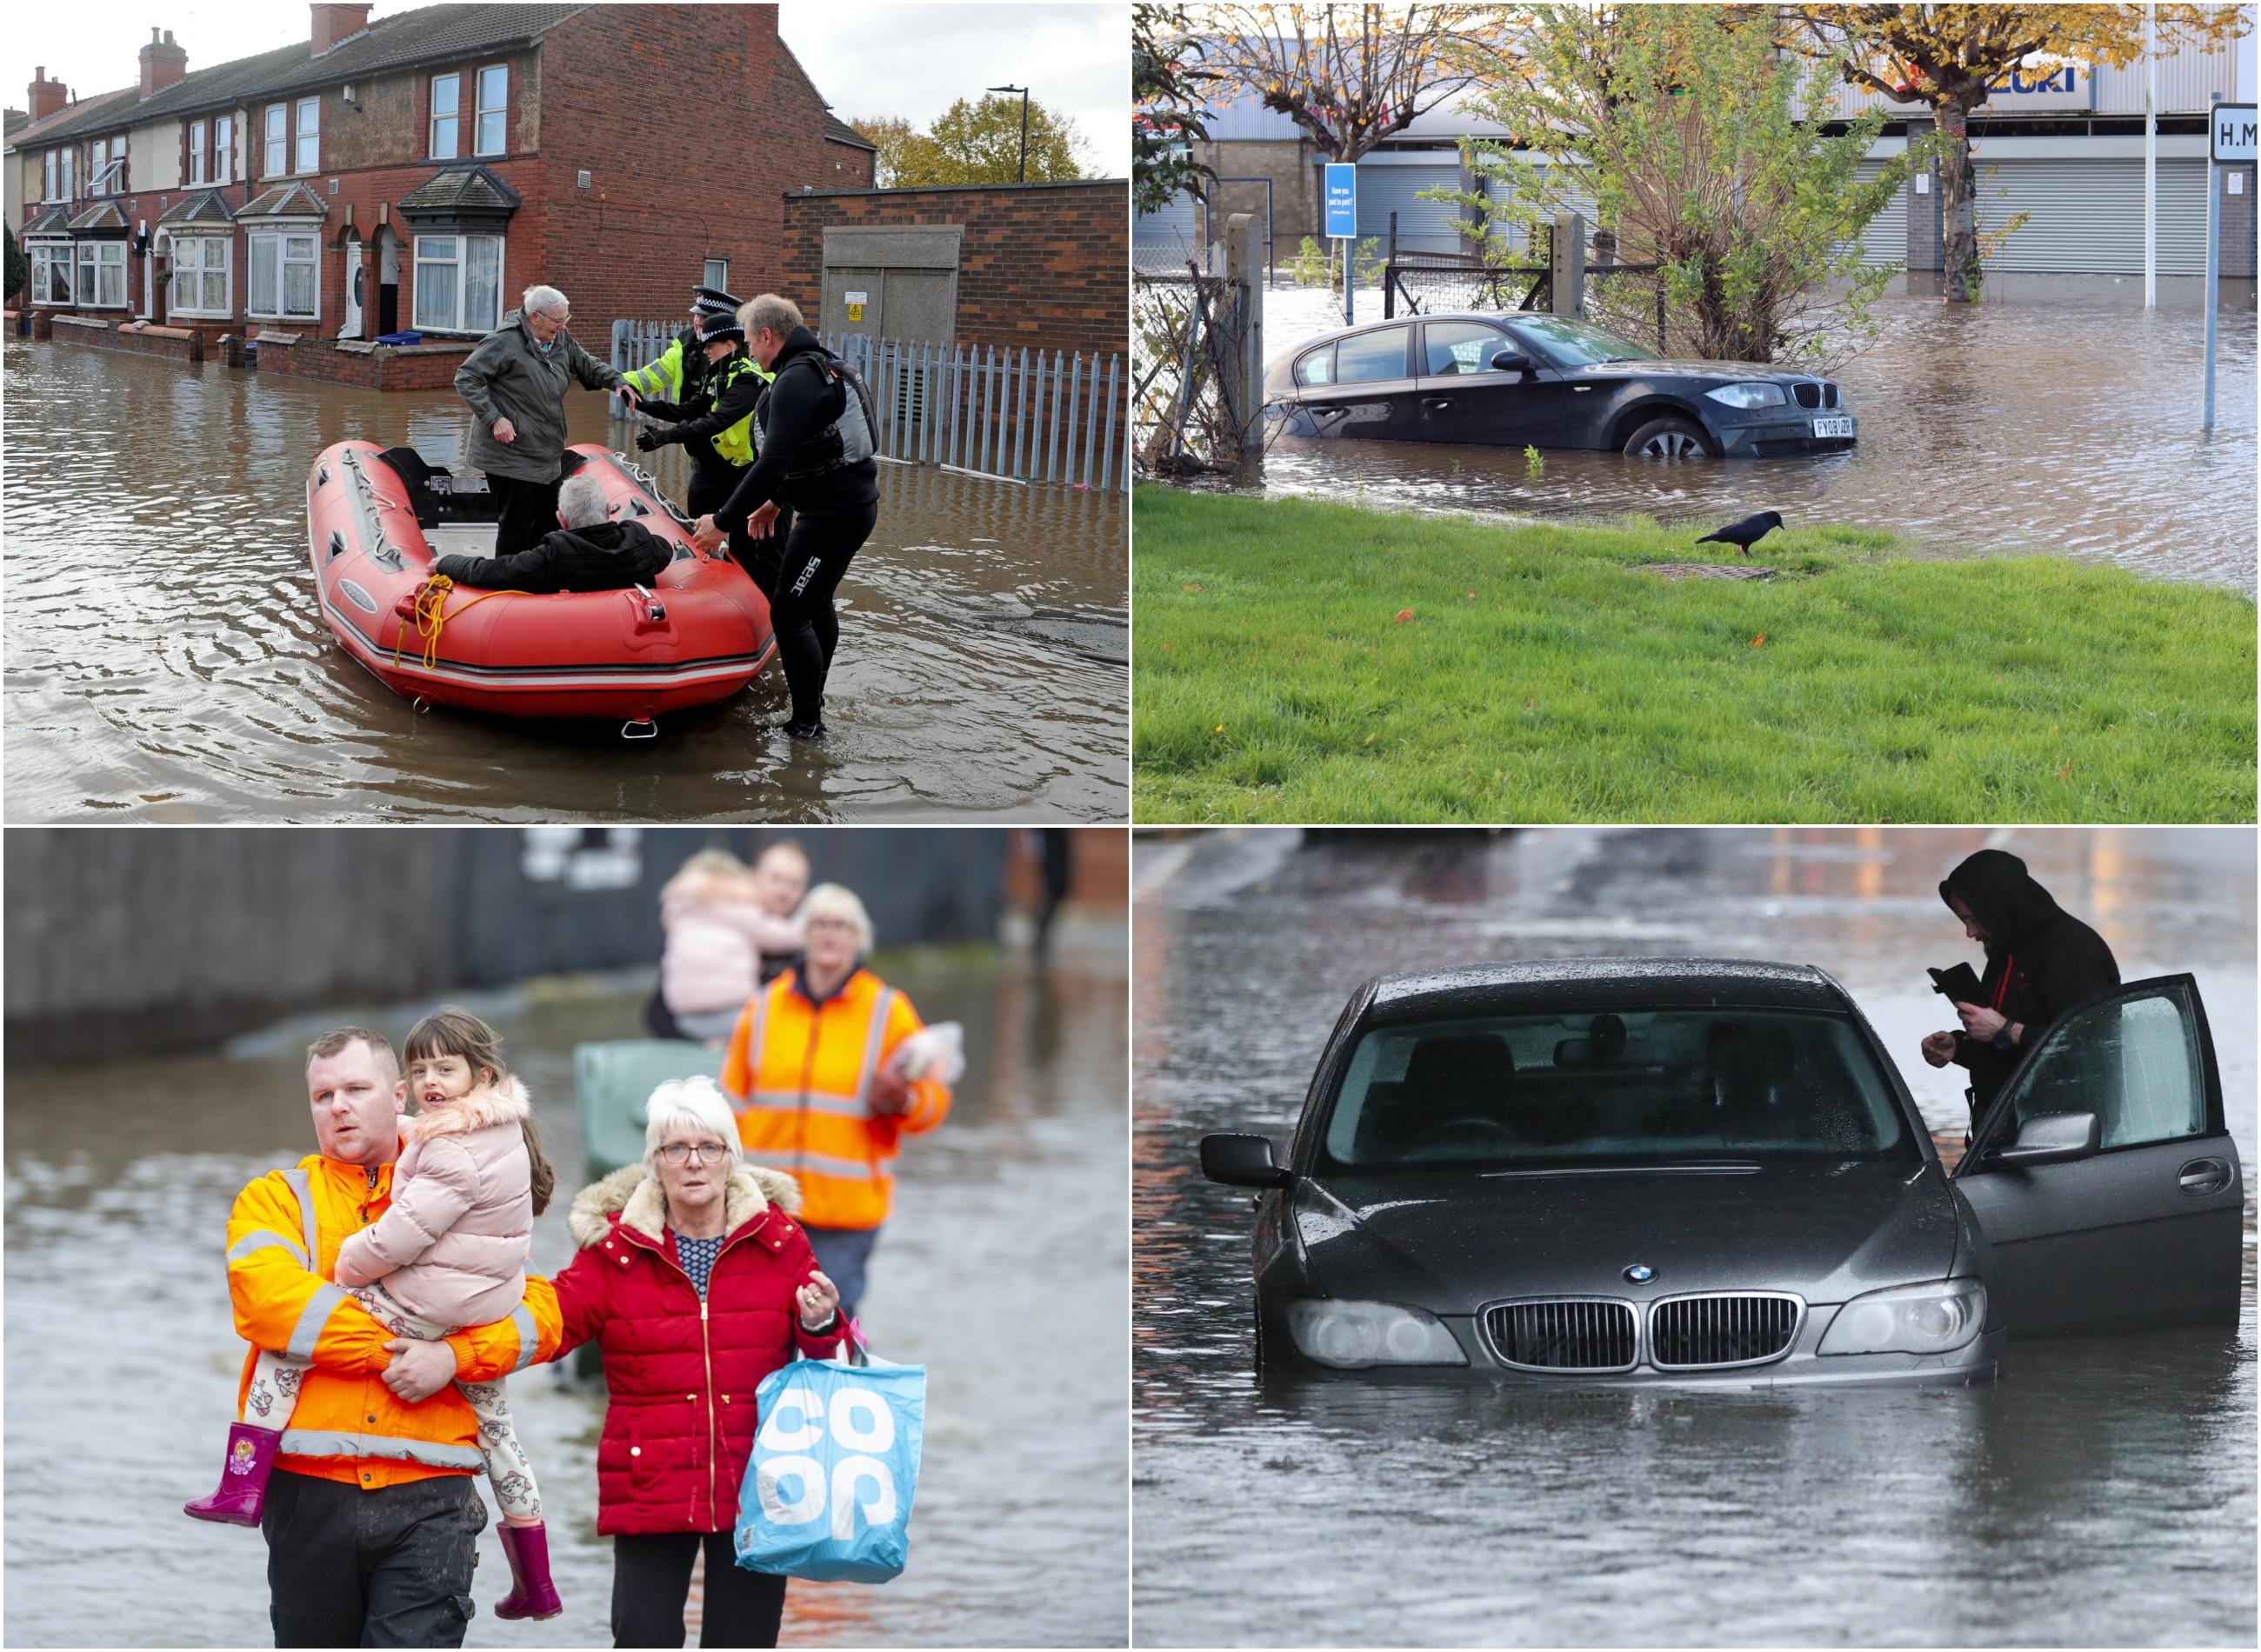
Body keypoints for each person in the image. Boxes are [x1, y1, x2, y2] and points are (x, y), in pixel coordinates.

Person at [185, 1027, 562, 1649]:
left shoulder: (464, 1178)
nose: (338, 1106)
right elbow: (269, 1304)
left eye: (356, 1089)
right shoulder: (276, 1199)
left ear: (398, 1096)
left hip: (431, 1498)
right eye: (323, 1094)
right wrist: (397, 1351)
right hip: (310, 1496)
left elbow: (541, 1312)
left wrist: (453, 1357)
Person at [550, 1076, 843, 1648]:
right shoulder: (613, 1252)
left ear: (730, 1159)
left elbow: (826, 1367)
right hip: (649, 1480)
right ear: (654, 1161)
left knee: (743, 1641)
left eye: (709, 1147)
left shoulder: (781, 1243)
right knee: (642, 1638)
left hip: (758, 1483)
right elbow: (549, 1326)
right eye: (676, 1149)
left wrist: (820, 1324)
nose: (693, 1162)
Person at [719, 883, 950, 1322]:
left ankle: (846, 1387)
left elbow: (935, 1104)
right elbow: (730, 1104)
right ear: (803, 934)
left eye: (841, 926)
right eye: (820, 924)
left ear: (858, 938)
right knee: (761, 1323)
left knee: (829, 1321)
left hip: (847, 1212)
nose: (829, 935)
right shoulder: (764, 1008)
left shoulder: (888, 1011)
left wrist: (906, 1100)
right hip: (769, 1206)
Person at [690, 295, 879, 741]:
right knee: (814, 603)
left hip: (832, 515)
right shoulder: (821, 365)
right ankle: (814, 701)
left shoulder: (795, 381)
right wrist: (775, 501)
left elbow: (771, 462)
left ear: (768, 337)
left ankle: (806, 724)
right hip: (844, 506)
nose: (750, 352)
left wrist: (723, 519)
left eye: (751, 343)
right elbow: (807, 452)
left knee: (789, 612)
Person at [1919, 848, 2120, 1128]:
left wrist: (2005, 1029)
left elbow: (2090, 1045)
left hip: (2060, 1134)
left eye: (1975, 919)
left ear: (2000, 908)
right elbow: (2010, 1047)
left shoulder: (2072, 948)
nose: (1970, 933)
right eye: (1964, 921)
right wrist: (1959, 1048)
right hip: (2005, 1129)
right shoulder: (2007, 951)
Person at [455, 283, 637, 556]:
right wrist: (494, 419)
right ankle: (510, 581)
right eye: (558, 321)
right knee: (516, 523)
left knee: (548, 521)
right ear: (534, 317)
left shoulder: (559, 338)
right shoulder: (505, 341)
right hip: (509, 452)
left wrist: (616, 381)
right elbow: (466, 377)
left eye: (566, 319)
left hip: (544, 448)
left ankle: (542, 575)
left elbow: (586, 364)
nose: (563, 326)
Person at [634, 319, 783, 590]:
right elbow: (693, 409)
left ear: (728, 345)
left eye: (710, 346)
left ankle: (773, 619)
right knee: (736, 546)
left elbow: (716, 421)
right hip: (739, 470)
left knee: (766, 556)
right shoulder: (720, 374)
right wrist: (645, 405)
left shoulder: (749, 379)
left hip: (766, 475)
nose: (704, 352)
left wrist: (666, 437)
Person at [647, 842, 809, 1044]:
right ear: (752, 878)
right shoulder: (748, 918)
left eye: (794, 884)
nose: (783, 891)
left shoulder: (807, 955)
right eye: (775, 879)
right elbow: (657, 1016)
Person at [432, 470, 674, 595]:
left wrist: (445, 562)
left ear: (562, 521)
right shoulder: (642, 543)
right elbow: (667, 548)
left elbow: (489, 572)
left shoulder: (552, 557)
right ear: (609, 510)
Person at [617, 284, 742, 416]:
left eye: (705, 317)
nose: (698, 322)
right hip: (688, 430)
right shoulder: (684, 349)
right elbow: (647, 378)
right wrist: (607, 378)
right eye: (697, 315)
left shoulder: (748, 357)